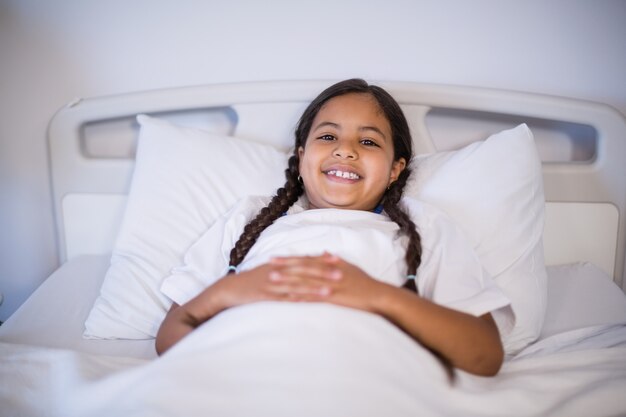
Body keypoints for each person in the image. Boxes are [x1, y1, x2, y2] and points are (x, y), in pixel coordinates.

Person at [155, 78, 512, 377]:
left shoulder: (423, 227)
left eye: (368, 141)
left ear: (395, 169)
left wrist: (376, 296)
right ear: (300, 156)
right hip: (250, 373)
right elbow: (170, 337)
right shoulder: (249, 219)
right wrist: (233, 291)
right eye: (327, 137)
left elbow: (484, 355)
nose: (345, 151)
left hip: (368, 381)